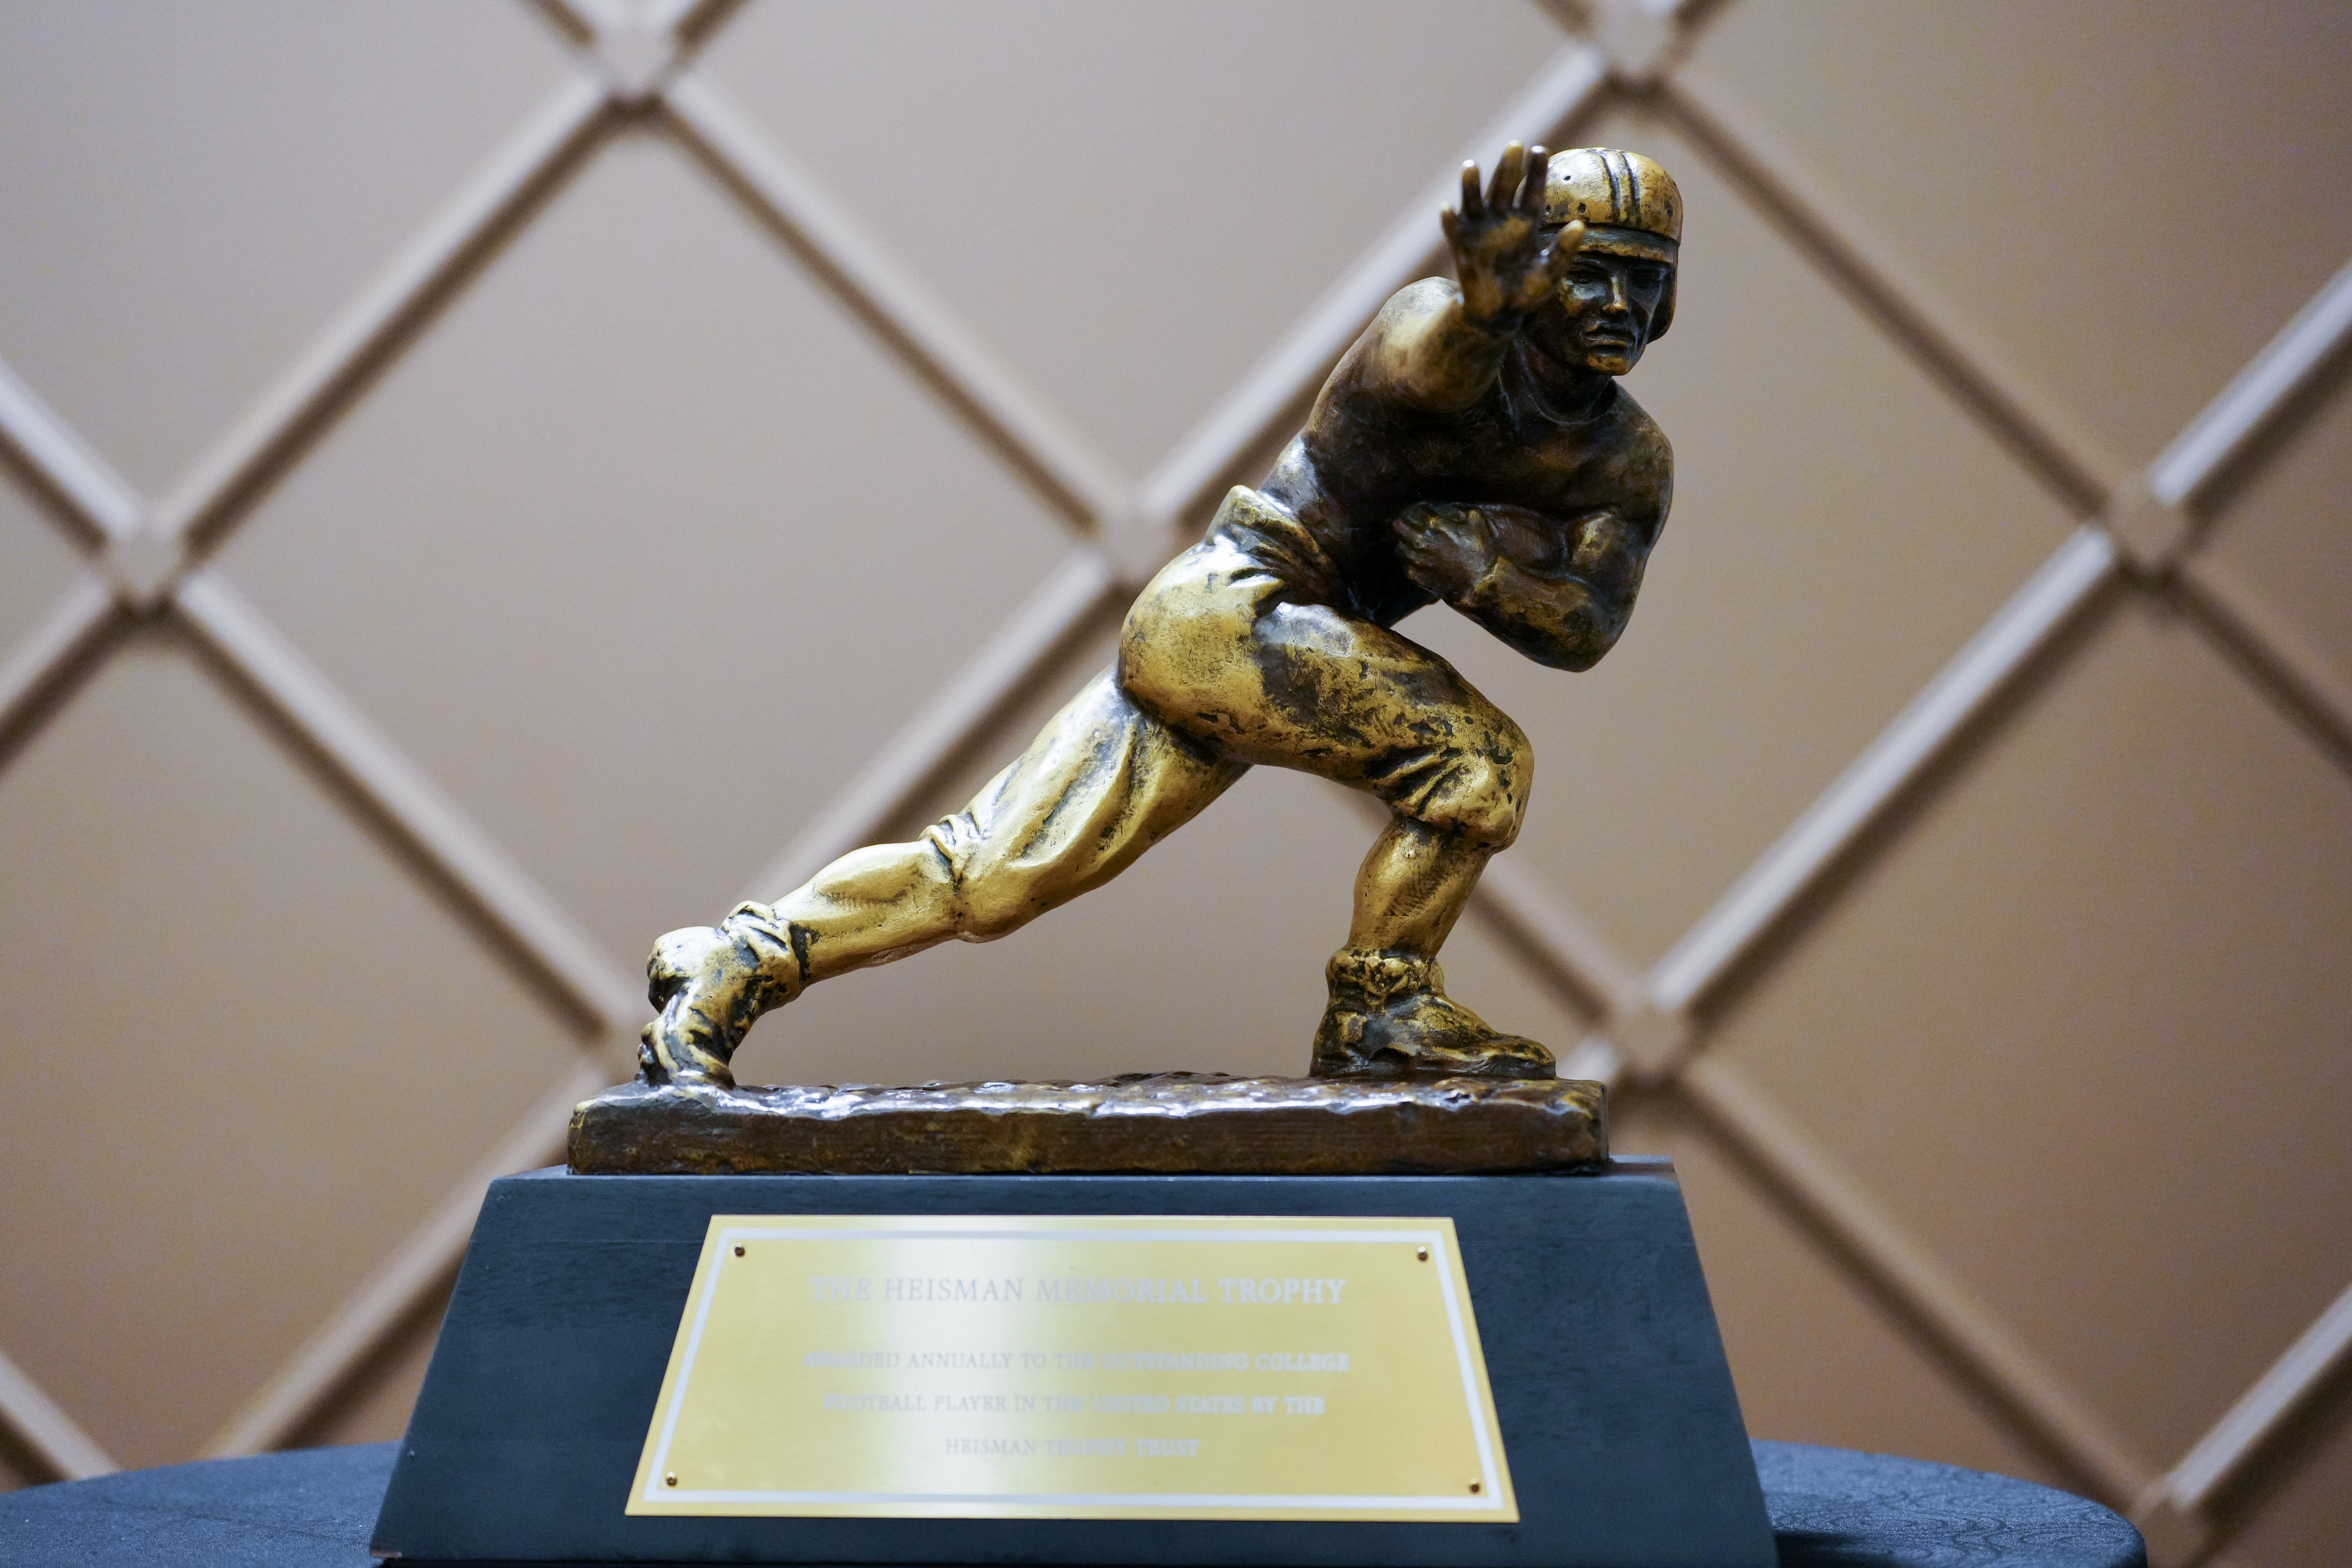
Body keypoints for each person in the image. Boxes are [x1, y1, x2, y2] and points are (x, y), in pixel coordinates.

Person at [639, 144, 1681, 1088]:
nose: (1618, 303)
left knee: (988, 882)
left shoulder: (1628, 461)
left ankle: (738, 961)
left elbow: (1588, 625)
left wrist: (1487, 578)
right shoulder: (1436, 330)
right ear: (1533, 269)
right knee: (1479, 764)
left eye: (1647, 280)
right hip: (1233, 612)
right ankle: (1382, 1007)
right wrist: (1483, 316)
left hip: (1262, 646)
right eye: (1593, 270)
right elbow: (1425, 377)